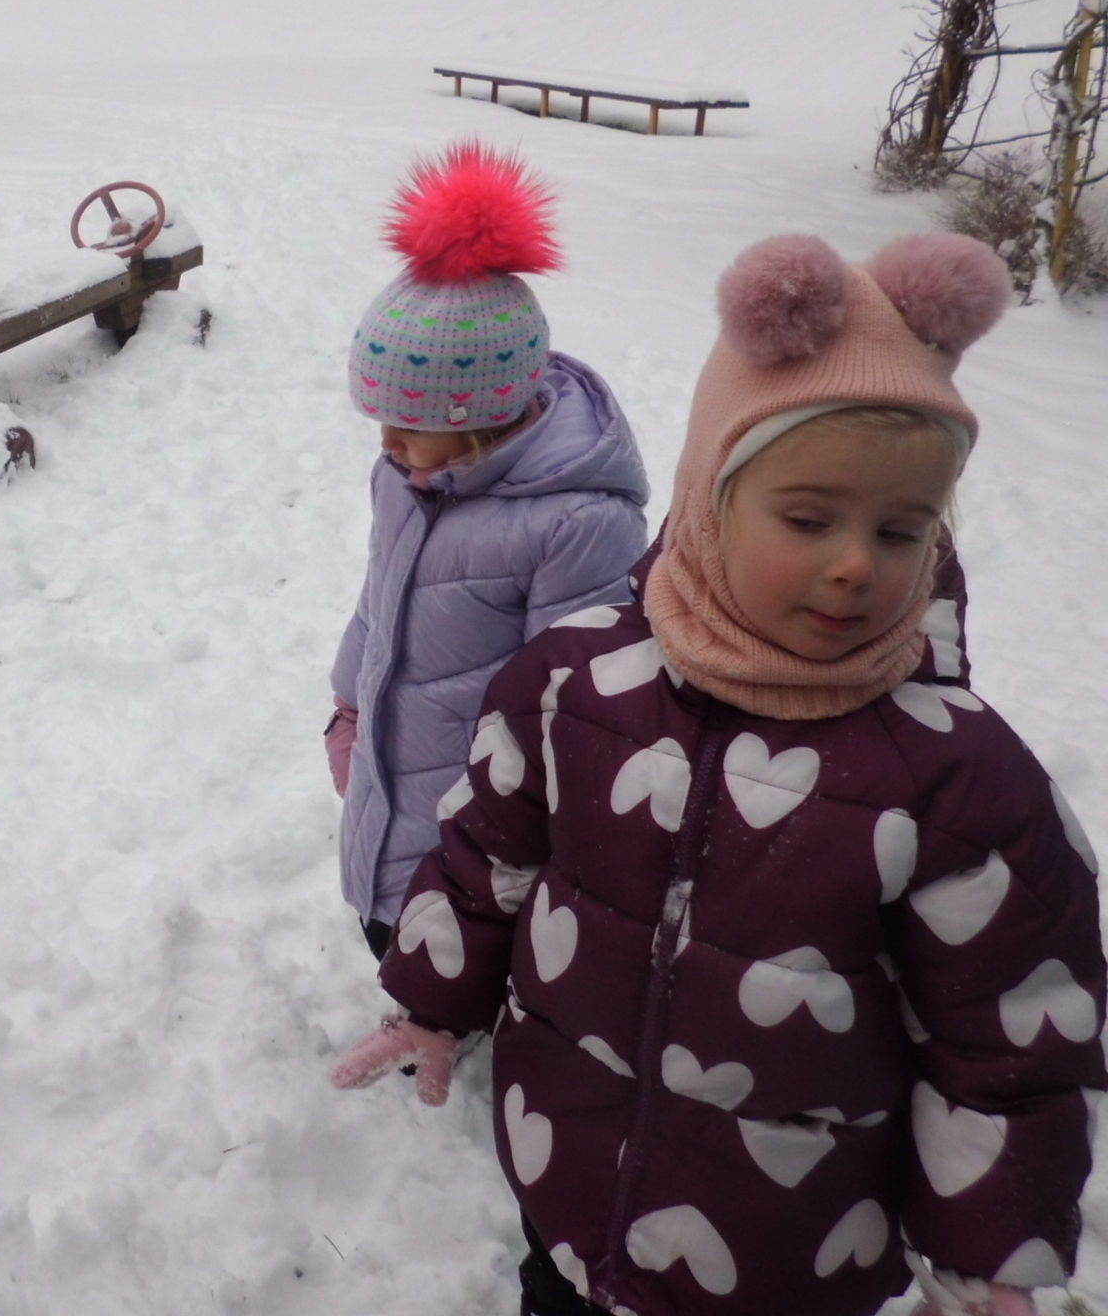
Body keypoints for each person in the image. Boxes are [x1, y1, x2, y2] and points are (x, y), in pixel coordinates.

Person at [331, 232, 1103, 1316]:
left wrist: (987, 1247)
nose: (854, 562)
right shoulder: (576, 685)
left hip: (787, 1249)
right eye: (808, 519)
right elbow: (483, 863)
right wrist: (431, 998)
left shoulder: (957, 784)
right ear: (707, 502)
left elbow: (1009, 1045)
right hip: (569, 1183)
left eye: (902, 530)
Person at [327, 142, 648, 956]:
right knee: (390, 923)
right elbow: (379, 598)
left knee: (456, 947)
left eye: (408, 423)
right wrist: (349, 705)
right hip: (394, 765)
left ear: (480, 418)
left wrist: (523, 816)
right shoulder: (406, 480)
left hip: (485, 809)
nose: (386, 441)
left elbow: (576, 700)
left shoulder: (576, 523)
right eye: (380, 419)